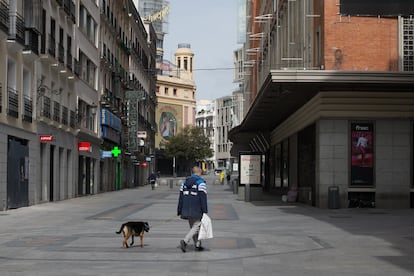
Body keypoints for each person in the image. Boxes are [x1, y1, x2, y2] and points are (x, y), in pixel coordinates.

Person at [177, 166, 208, 252]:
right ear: (199, 172)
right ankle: (185, 241)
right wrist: (204, 211)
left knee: (193, 227)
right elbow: (203, 198)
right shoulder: (200, 183)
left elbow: (181, 197)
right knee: (196, 226)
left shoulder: (184, 182)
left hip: (186, 208)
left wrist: (179, 209)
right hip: (196, 208)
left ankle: (197, 245)